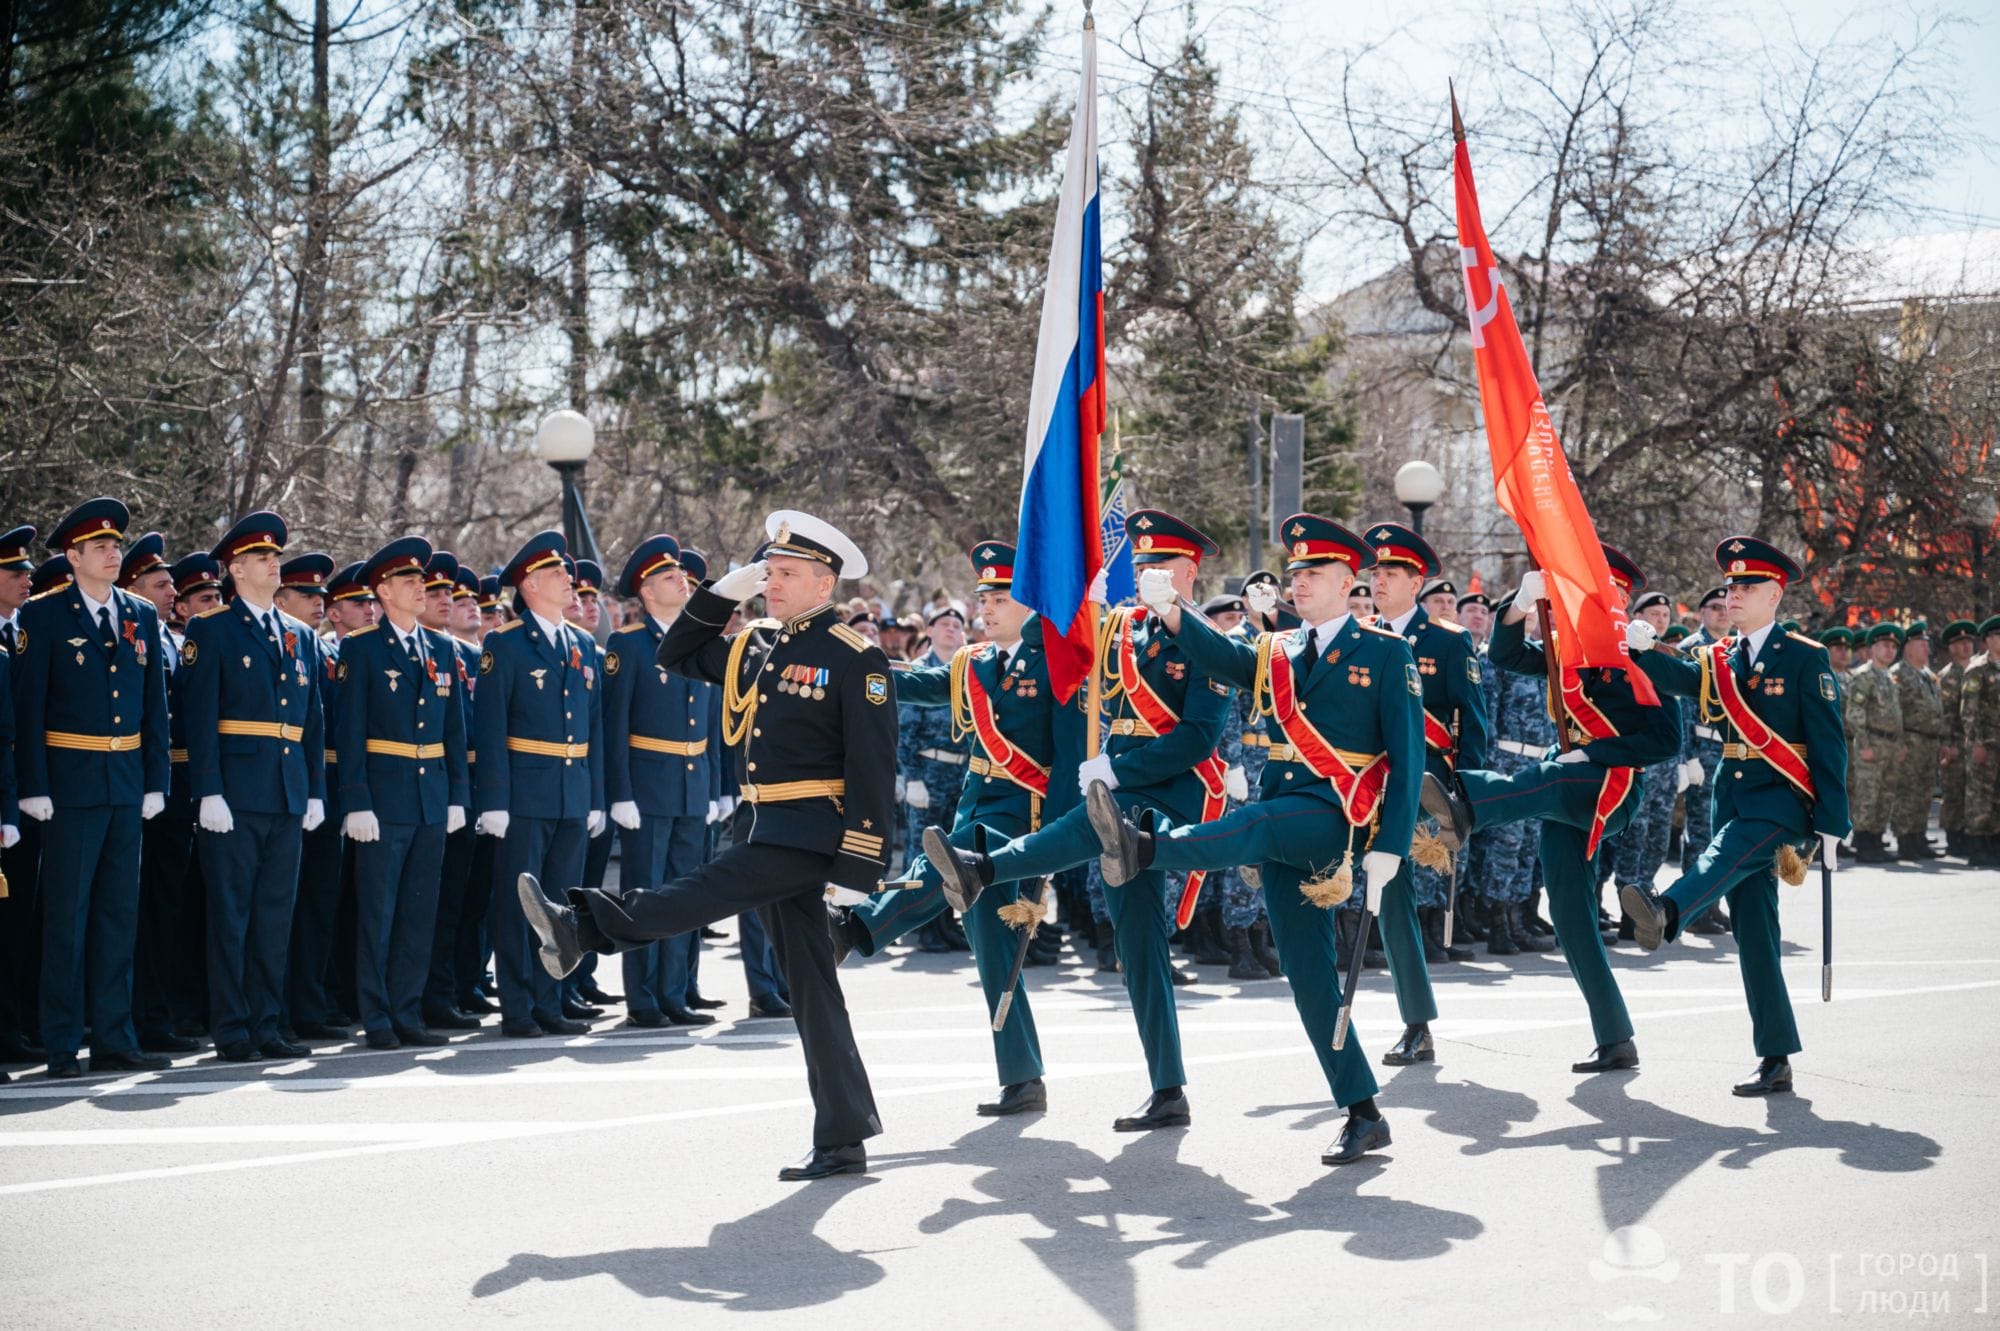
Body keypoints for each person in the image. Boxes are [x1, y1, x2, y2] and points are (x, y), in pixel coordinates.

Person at [515, 510, 893, 1181]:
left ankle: (583, 925)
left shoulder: (854, 656)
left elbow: (872, 765)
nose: (771, 584)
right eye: (768, 572)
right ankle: (844, 1136)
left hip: (808, 832)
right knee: (813, 988)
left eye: (783, 574)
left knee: (701, 890)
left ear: (822, 580)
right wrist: (722, 592)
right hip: (761, 824)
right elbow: (677, 652)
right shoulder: (759, 645)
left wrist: (861, 865)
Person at [1082, 514, 1418, 1166]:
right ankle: (1363, 1111)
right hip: (1283, 811)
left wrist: (1391, 847)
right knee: (1309, 974)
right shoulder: (1279, 650)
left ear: (1349, 581)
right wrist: (1174, 612)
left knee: (1253, 828)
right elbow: (1221, 656)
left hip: (1328, 813)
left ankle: (1145, 847)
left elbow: (1405, 756)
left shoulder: (1385, 652)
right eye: (1294, 572)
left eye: (1313, 572)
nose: (1299, 582)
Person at [925, 509, 1231, 1134]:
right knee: (1137, 944)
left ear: (1190, 573)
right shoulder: (1119, 631)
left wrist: (1117, 772)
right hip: (1114, 789)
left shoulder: (1206, 640)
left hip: (1166, 796)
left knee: (1090, 833)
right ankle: (1168, 1088)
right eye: (1140, 565)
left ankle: (985, 866)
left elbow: (1199, 737)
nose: (1147, 575)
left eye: (1161, 566)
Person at [831, 539, 1085, 1116]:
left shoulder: (1059, 661)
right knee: (994, 951)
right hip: (974, 809)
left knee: (954, 853)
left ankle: (857, 930)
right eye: (982, 597)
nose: (986, 607)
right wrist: (860, 668)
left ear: (1030, 603)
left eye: (999, 597)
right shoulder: (973, 664)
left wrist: (1062, 838)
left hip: (1025, 823)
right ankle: (1023, 1078)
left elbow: (1069, 758)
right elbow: (919, 687)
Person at [1421, 548, 1682, 1075]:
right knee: (1570, 914)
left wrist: (1594, 753)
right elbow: (1506, 656)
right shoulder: (1570, 646)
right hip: (1568, 786)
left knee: (1551, 775)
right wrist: (1520, 603)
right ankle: (1615, 1037)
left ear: (1621, 597)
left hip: (1610, 784)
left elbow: (1665, 741)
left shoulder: (1639, 653)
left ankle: (1469, 805)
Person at [1619, 537, 1851, 1095]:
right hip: (1734, 790)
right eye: (1730, 587)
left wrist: (1834, 822)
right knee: (1754, 929)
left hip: (1782, 799)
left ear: (1774, 594)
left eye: (1746, 587)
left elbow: (1828, 743)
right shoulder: (1721, 656)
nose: (1734, 594)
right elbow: (1677, 681)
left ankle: (1667, 911)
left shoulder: (1804, 656)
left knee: (1720, 854)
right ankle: (1775, 1057)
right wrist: (1641, 649)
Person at [14, 498, 173, 1077]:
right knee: (67, 916)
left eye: (116, 546)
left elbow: (154, 705)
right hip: (70, 783)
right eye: (100, 547)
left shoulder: (140, 615)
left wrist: (157, 779)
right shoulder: (43, 616)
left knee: (116, 916)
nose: (113, 553)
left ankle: (113, 1034)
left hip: (125, 782)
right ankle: (61, 1039)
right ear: (73, 556)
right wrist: (34, 784)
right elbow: (28, 710)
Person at [181, 511, 329, 1063]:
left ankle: (268, 1022)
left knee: (274, 915)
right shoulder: (212, 629)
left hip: (287, 792)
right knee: (231, 915)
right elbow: (199, 718)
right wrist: (208, 791)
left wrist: (315, 790)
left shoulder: (297, 635)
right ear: (236, 569)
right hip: (236, 795)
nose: (274, 564)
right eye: (263, 558)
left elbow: (312, 722)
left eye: (275, 556)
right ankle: (233, 1027)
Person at [1344, 521, 1488, 1064]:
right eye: (1375, 571)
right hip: (1362, 784)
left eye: (1390, 573)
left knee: (1397, 898)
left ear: (1416, 580)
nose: (1378, 581)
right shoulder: (1359, 633)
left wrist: (1462, 797)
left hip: (1420, 786)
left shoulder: (1448, 642)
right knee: (1369, 896)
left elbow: (1471, 726)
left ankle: (1416, 1021)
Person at [336, 537, 470, 1049]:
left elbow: (454, 731)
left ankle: (408, 1012)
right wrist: (357, 801)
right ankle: (378, 1015)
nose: (422, 589)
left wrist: (457, 795)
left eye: (422, 580)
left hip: (430, 797)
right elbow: (349, 732)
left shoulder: (442, 648)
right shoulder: (362, 647)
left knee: (419, 910)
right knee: (378, 912)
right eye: (411, 582)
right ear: (384, 592)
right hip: (384, 798)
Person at [472, 530, 603, 1038]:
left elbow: (593, 728)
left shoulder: (583, 644)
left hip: (572, 792)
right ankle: (519, 1007)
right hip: (524, 794)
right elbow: (491, 727)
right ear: (528, 585)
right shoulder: (504, 644)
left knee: (560, 909)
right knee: (517, 905)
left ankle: (552, 1000)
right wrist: (495, 800)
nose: (568, 581)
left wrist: (595, 797)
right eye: (555, 573)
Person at [603, 535, 728, 1028]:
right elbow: (614, 725)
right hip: (647, 788)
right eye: (670, 578)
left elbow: (712, 725)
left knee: (686, 894)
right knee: (645, 894)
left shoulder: (699, 643)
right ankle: (644, 999)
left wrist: (718, 787)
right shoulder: (628, 645)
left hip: (693, 786)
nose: (683, 582)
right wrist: (620, 794)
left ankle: (676, 993)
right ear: (648, 592)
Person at [118, 533, 201, 1055]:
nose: (172, 591)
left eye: (171, 582)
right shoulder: (133, 636)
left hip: (177, 790)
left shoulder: (173, 639)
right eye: (161, 583)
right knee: (140, 910)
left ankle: (160, 1010)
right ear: (133, 588)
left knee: (168, 907)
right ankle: (141, 1014)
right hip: (145, 787)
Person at [896, 604, 972, 953]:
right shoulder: (920, 671)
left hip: (961, 772)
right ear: (929, 630)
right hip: (927, 773)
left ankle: (945, 923)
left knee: (954, 852)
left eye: (957, 624)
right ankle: (923, 925)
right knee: (923, 853)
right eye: (944, 624)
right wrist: (911, 778)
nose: (951, 629)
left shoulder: (968, 669)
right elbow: (905, 730)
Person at [1608, 589, 1683, 926]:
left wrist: (1684, 760)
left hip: (1666, 767)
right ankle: (1627, 908)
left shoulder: (1670, 657)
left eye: (1665, 616)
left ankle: (1644, 898)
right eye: (1653, 614)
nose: (1660, 620)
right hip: (1639, 764)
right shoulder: (1629, 656)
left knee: (1657, 838)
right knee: (1632, 839)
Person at [0, 525, 40, 1070]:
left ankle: (12, 1025)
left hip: (27, 800)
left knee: (17, 925)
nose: (27, 579)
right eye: (15, 573)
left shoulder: (25, 635)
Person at [1842, 623, 1903, 864]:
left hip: (1890, 743)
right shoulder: (1863, 676)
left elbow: (1898, 715)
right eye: (1885, 645)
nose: (1890, 651)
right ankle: (1864, 843)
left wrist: (1901, 744)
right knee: (1868, 795)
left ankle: (1877, 840)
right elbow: (1854, 712)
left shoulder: (1891, 677)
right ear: (1873, 648)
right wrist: (1864, 743)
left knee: (1885, 795)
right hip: (1871, 742)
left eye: (1893, 647)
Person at [1889, 623, 1945, 860]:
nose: (1926, 648)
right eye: (1920, 643)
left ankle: (1918, 836)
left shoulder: (1928, 675)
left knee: (1924, 792)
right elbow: (1894, 712)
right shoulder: (1899, 674)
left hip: (1929, 742)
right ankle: (1905, 839)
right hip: (1910, 739)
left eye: (1927, 644)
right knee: (1907, 792)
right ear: (1908, 647)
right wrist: (1899, 743)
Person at [1937, 620, 1980, 859]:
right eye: (1960, 643)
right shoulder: (1945, 677)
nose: (1966, 646)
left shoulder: (1981, 670)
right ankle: (1955, 839)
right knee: (1954, 792)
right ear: (1951, 648)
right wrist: (1948, 745)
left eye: (1968, 642)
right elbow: (1944, 715)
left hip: (1976, 742)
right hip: (1955, 744)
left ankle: (1974, 835)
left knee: (1977, 793)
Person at [1959, 618, 2000, 868]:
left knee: (1997, 797)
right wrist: (1976, 744)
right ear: (1988, 640)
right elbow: (1968, 713)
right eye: (1997, 635)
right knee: (1979, 797)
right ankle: (1977, 847)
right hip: (1985, 743)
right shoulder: (1977, 669)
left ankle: (1994, 844)